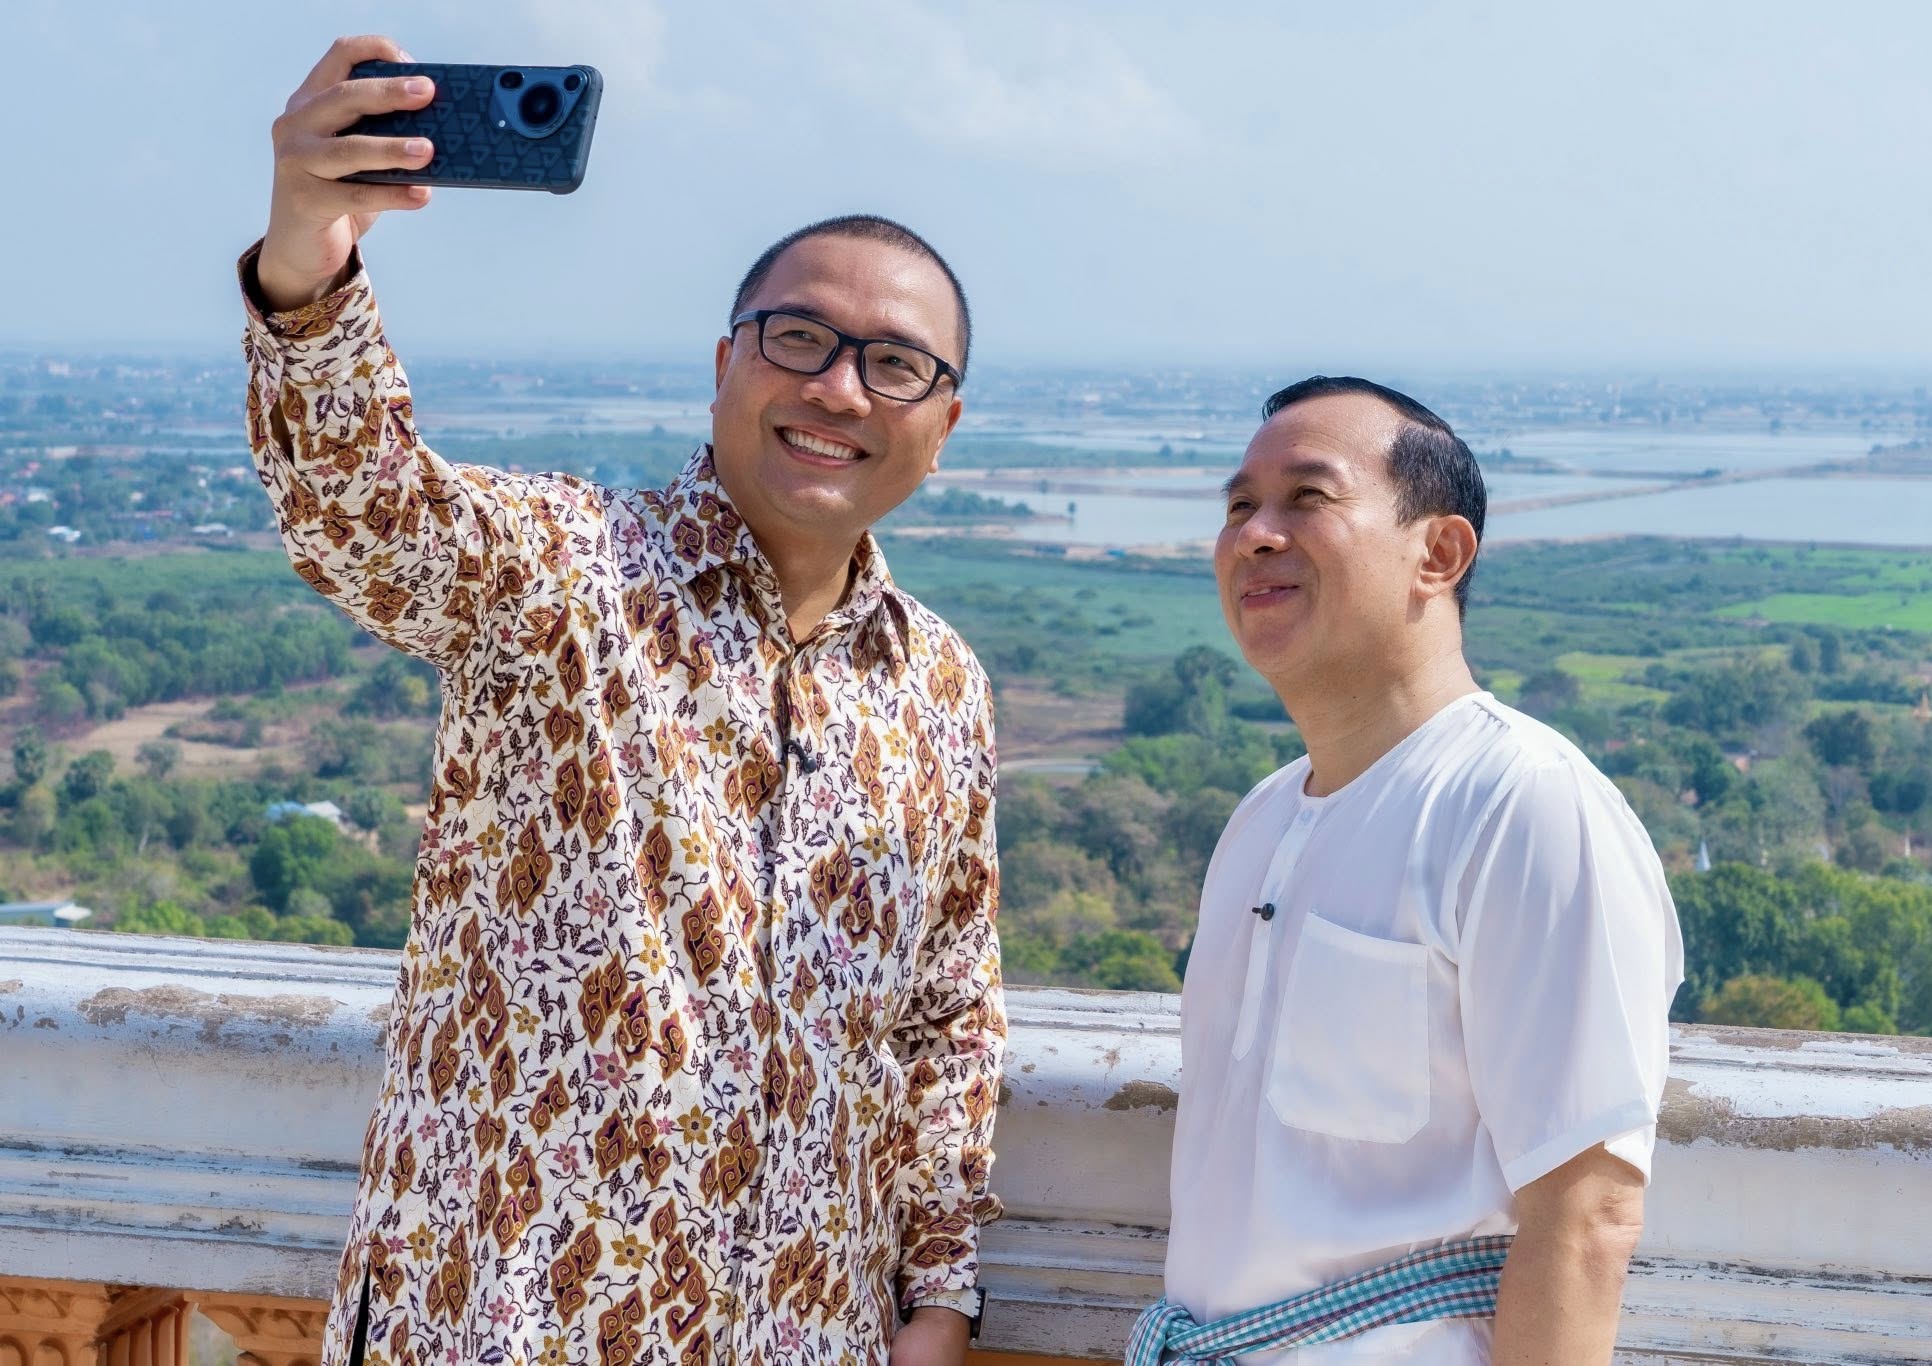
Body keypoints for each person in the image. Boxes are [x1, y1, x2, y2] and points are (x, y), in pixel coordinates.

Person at [244, 36, 1003, 1366]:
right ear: (726, 362)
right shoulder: (565, 573)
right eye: (801, 338)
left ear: (943, 425)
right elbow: (358, 508)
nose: (837, 386)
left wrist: (936, 1302)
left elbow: (947, 1016)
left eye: (895, 364)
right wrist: (310, 257)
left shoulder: (937, 682)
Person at [1133, 377, 1683, 1364]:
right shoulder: (1260, 821)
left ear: (1437, 551)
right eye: (1236, 505)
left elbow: (1586, 1212)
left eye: (1307, 498)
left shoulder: (1521, 805)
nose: (1255, 533)